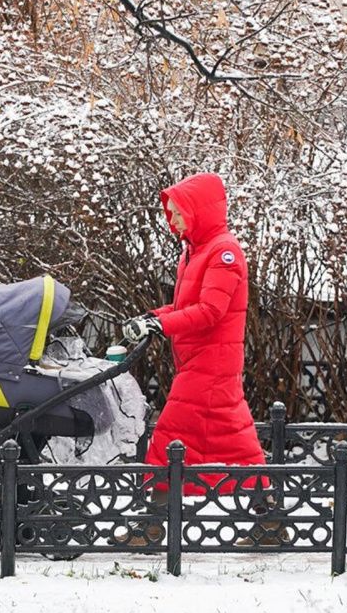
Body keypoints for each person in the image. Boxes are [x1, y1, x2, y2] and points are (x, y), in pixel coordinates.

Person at [118, 172, 277, 546]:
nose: (171, 221)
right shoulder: (195, 250)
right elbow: (184, 306)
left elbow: (210, 311)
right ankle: (270, 523)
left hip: (211, 366)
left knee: (167, 440)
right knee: (238, 444)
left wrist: (161, 327)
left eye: (177, 213)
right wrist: (153, 318)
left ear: (198, 211)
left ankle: (153, 527)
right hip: (202, 364)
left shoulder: (224, 253)